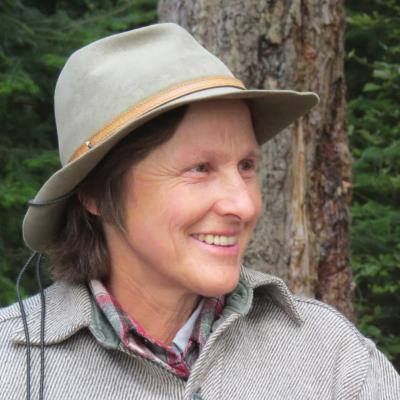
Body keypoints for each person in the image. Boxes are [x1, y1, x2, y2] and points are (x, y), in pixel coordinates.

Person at [0, 23, 399, 400]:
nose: (243, 205)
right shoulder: (12, 369)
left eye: (246, 166)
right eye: (200, 168)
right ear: (96, 193)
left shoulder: (332, 359)